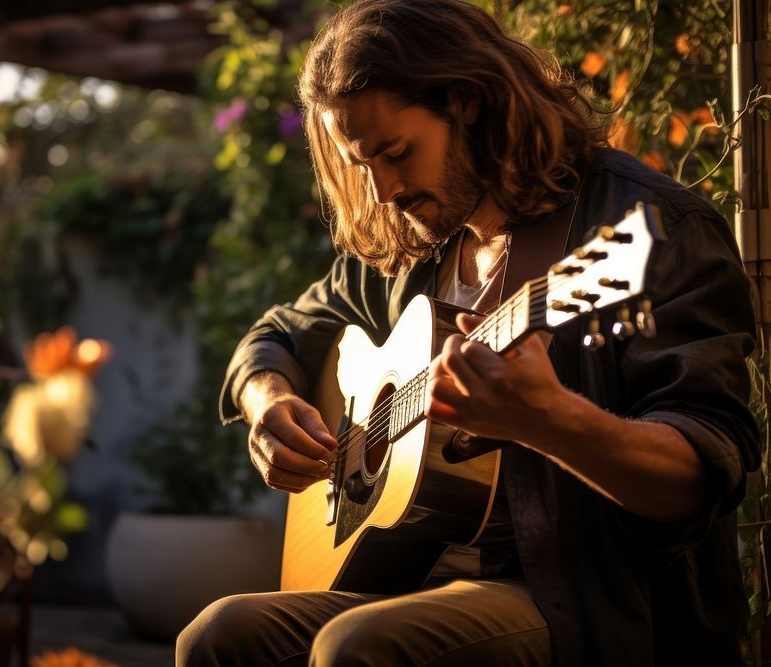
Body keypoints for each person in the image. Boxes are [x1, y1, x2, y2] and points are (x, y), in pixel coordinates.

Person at [177, 0, 759, 665]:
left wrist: (550, 420)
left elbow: (703, 472)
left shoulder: (646, 231)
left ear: (468, 101)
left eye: (397, 153)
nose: (386, 189)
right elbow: (279, 331)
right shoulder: (415, 250)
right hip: (406, 580)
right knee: (218, 635)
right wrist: (268, 399)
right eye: (364, 165)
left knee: (358, 647)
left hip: (584, 597)